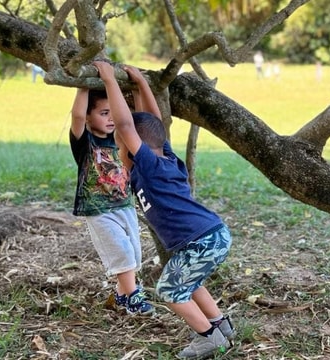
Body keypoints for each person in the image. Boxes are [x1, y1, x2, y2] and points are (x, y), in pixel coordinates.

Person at [93, 61, 235, 360]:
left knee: (170, 290)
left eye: (121, 146)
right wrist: (140, 83)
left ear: (135, 148)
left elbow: (127, 125)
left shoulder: (150, 165)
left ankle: (209, 338)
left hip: (202, 240)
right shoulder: (164, 155)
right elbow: (153, 121)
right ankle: (222, 326)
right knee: (189, 282)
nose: (120, 149)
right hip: (211, 236)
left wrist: (110, 81)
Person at [69, 70, 154, 316]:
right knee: (122, 252)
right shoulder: (85, 143)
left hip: (125, 206)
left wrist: (137, 87)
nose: (110, 119)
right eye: (103, 113)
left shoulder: (119, 139)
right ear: (88, 117)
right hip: (98, 209)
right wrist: (83, 82)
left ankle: (121, 295)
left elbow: (135, 121)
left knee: (134, 254)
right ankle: (134, 295)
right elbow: (75, 115)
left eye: (112, 114)